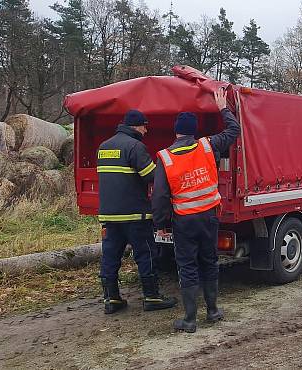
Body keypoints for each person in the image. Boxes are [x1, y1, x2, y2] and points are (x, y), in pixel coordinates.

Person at [152, 88, 240, 333]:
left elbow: (159, 196)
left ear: (176, 131)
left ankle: (190, 319)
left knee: (187, 266)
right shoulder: (207, 145)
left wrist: (161, 223)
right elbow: (234, 131)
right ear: (194, 131)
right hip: (210, 217)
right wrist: (223, 108)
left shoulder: (165, 157)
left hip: (185, 221)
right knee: (210, 261)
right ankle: (213, 311)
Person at [97, 109, 177, 314]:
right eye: (144, 125)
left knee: (110, 256)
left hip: (109, 215)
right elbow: (151, 176)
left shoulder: (104, 147)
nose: (146, 129)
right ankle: (152, 297)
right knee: (145, 254)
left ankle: (111, 299)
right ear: (136, 126)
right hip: (134, 214)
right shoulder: (135, 146)